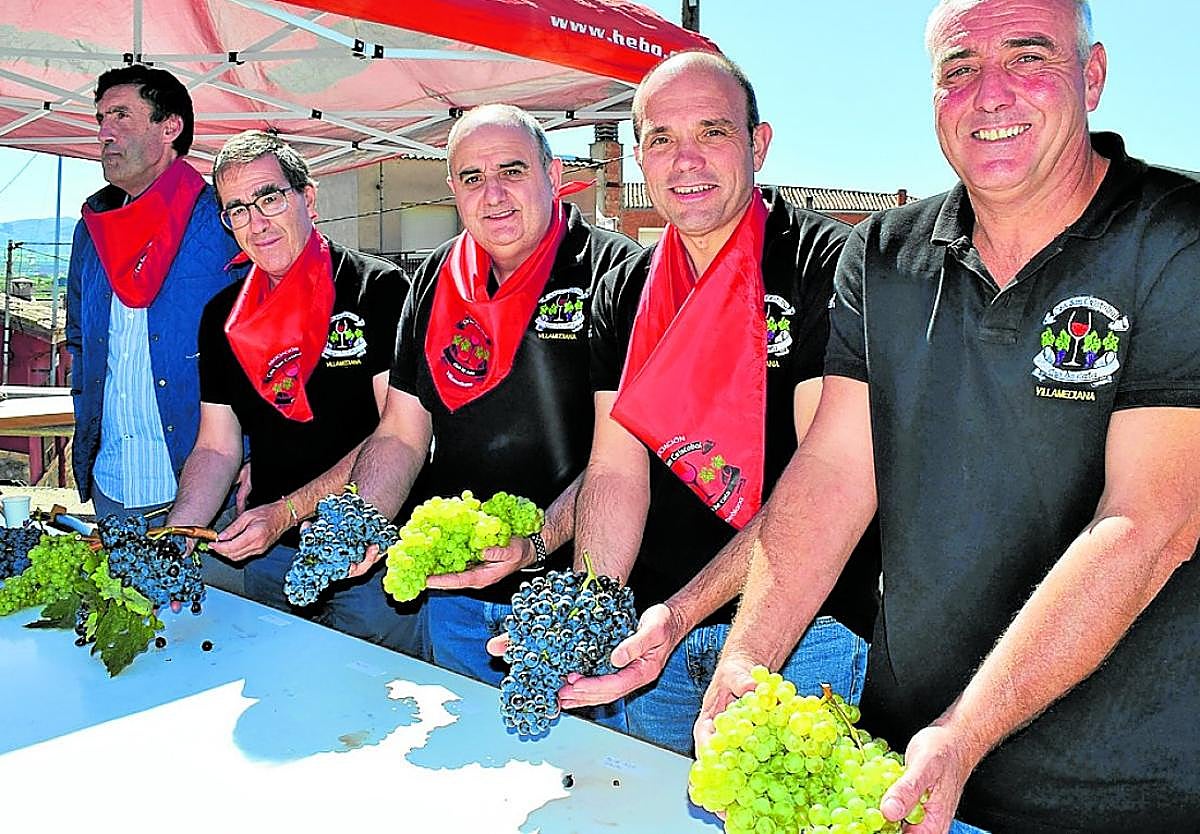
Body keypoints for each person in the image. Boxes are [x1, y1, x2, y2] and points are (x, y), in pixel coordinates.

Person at [698, 2, 1200, 832]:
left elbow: (1151, 520)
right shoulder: (883, 252)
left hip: (1131, 785)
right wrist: (750, 653)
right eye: (959, 69)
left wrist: (964, 734)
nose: (990, 93)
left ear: (1095, 77)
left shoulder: (1178, 238)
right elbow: (833, 470)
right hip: (906, 762)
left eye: (1028, 57)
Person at [553, 51, 880, 757]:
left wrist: (681, 612)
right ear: (638, 156)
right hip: (650, 644)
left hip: (802, 642)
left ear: (758, 144)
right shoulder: (625, 288)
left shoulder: (830, 264)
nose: (685, 160)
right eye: (661, 139)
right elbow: (614, 472)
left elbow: (821, 482)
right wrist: (591, 611)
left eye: (712, 132)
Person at [340, 104, 641, 688]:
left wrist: (535, 545)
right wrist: (360, 519)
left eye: (512, 171)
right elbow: (401, 432)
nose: (494, 194)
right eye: (473, 178)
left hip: (576, 597)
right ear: (453, 189)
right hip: (452, 594)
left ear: (553, 177)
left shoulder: (618, 271)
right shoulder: (433, 277)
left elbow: (628, 460)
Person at [164, 130, 426, 656]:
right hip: (268, 552)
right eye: (236, 209)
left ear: (307, 198)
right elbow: (217, 446)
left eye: (269, 197)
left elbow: (394, 432)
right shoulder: (222, 316)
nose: (256, 222)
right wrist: (180, 536)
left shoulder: (377, 288)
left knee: (369, 710)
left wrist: (289, 509)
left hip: (368, 551)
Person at [66, 65, 240, 520]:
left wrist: (253, 451)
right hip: (112, 481)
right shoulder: (92, 227)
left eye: (121, 116)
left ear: (170, 127)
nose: (104, 133)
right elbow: (80, 339)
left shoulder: (225, 220)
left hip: (204, 487)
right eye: (101, 119)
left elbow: (268, 342)